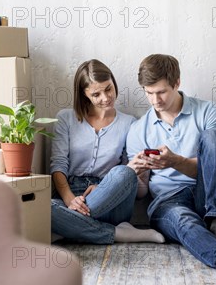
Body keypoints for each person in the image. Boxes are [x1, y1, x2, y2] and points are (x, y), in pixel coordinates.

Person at [126, 54, 216, 284]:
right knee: (182, 221)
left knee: (211, 137)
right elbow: (141, 193)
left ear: (177, 83)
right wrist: (135, 171)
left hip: (206, 195)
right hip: (166, 202)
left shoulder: (208, 112)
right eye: (148, 93)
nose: (155, 100)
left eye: (161, 92)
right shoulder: (139, 129)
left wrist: (175, 161)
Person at [50, 59, 165, 244]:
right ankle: (118, 233)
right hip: (72, 195)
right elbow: (58, 164)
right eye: (96, 94)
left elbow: (131, 184)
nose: (106, 97)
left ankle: (70, 226)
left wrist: (107, 188)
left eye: (108, 88)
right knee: (42, 209)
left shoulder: (130, 123)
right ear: (84, 94)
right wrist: (70, 199)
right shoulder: (65, 118)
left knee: (123, 172)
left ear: (113, 82)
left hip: (112, 199)